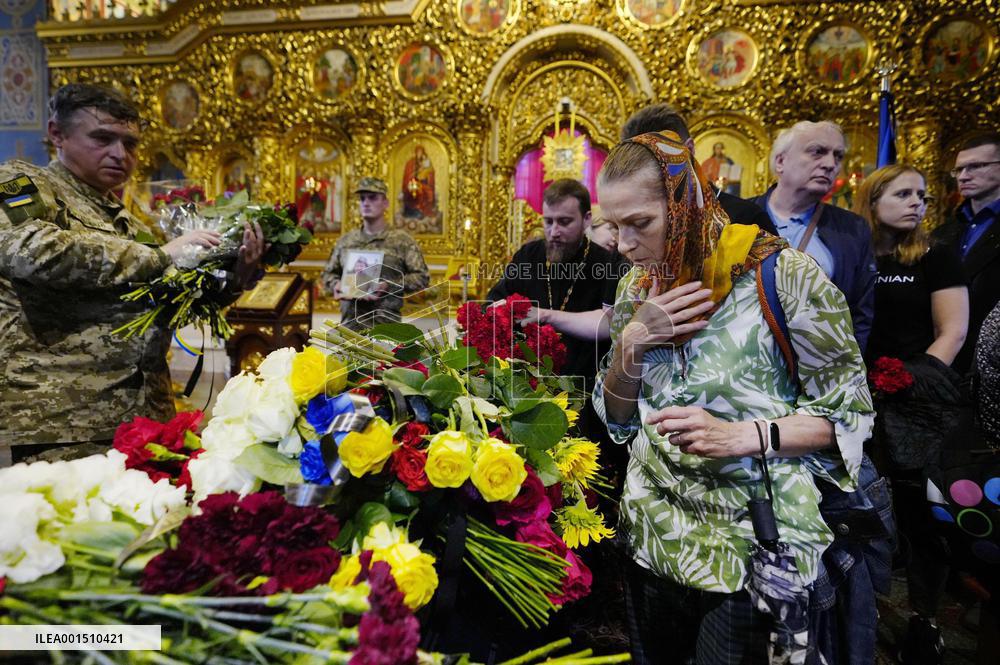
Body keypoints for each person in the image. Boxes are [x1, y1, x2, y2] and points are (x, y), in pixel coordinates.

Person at [593, 131, 874, 664]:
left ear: (687, 204)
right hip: (653, 534)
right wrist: (631, 343)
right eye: (614, 225)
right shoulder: (636, 286)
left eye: (640, 224)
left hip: (750, 542)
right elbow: (619, 419)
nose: (625, 244)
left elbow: (851, 418)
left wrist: (744, 434)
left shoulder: (782, 276)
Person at [0, 83, 266, 465]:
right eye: (103, 138)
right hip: (66, 417)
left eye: (131, 144)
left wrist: (236, 276)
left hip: (146, 413)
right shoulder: (23, 183)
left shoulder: (128, 222)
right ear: (57, 134)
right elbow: (33, 252)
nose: (120, 154)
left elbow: (168, 303)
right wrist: (158, 256)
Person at [854, 165, 969, 665]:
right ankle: (862, 606)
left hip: (915, 400)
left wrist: (909, 383)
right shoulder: (855, 253)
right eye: (902, 194)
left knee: (921, 512)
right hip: (856, 395)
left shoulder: (936, 257)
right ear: (873, 199)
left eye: (921, 195)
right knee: (861, 505)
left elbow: (953, 332)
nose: (917, 203)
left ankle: (924, 618)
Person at [487, 178, 628, 388]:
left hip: (584, 385)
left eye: (564, 222)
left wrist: (545, 316)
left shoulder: (606, 263)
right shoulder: (528, 256)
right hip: (526, 382)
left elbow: (610, 325)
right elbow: (494, 302)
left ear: (587, 219)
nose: (554, 232)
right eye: (548, 221)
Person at [751, 120, 877, 352]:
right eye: (817, 152)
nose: (831, 164)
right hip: (744, 367)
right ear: (781, 161)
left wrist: (842, 375)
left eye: (838, 156)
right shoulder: (738, 216)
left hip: (818, 369)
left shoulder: (852, 229)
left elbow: (860, 313)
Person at [620, 103, 778, 236]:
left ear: (689, 149)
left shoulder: (746, 219)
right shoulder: (634, 227)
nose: (649, 173)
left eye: (657, 160)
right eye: (638, 165)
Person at [931, 132, 1000, 376]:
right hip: (947, 360)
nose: (963, 176)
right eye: (958, 170)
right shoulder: (943, 232)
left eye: (975, 167)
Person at [322, 177, 429, 331]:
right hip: (350, 326)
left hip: (386, 327)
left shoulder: (402, 241)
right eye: (362, 199)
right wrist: (336, 284)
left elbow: (422, 277)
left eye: (372, 198)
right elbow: (328, 274)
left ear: (385, 203)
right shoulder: (346, 241)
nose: (366, 203)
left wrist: (389, 285)